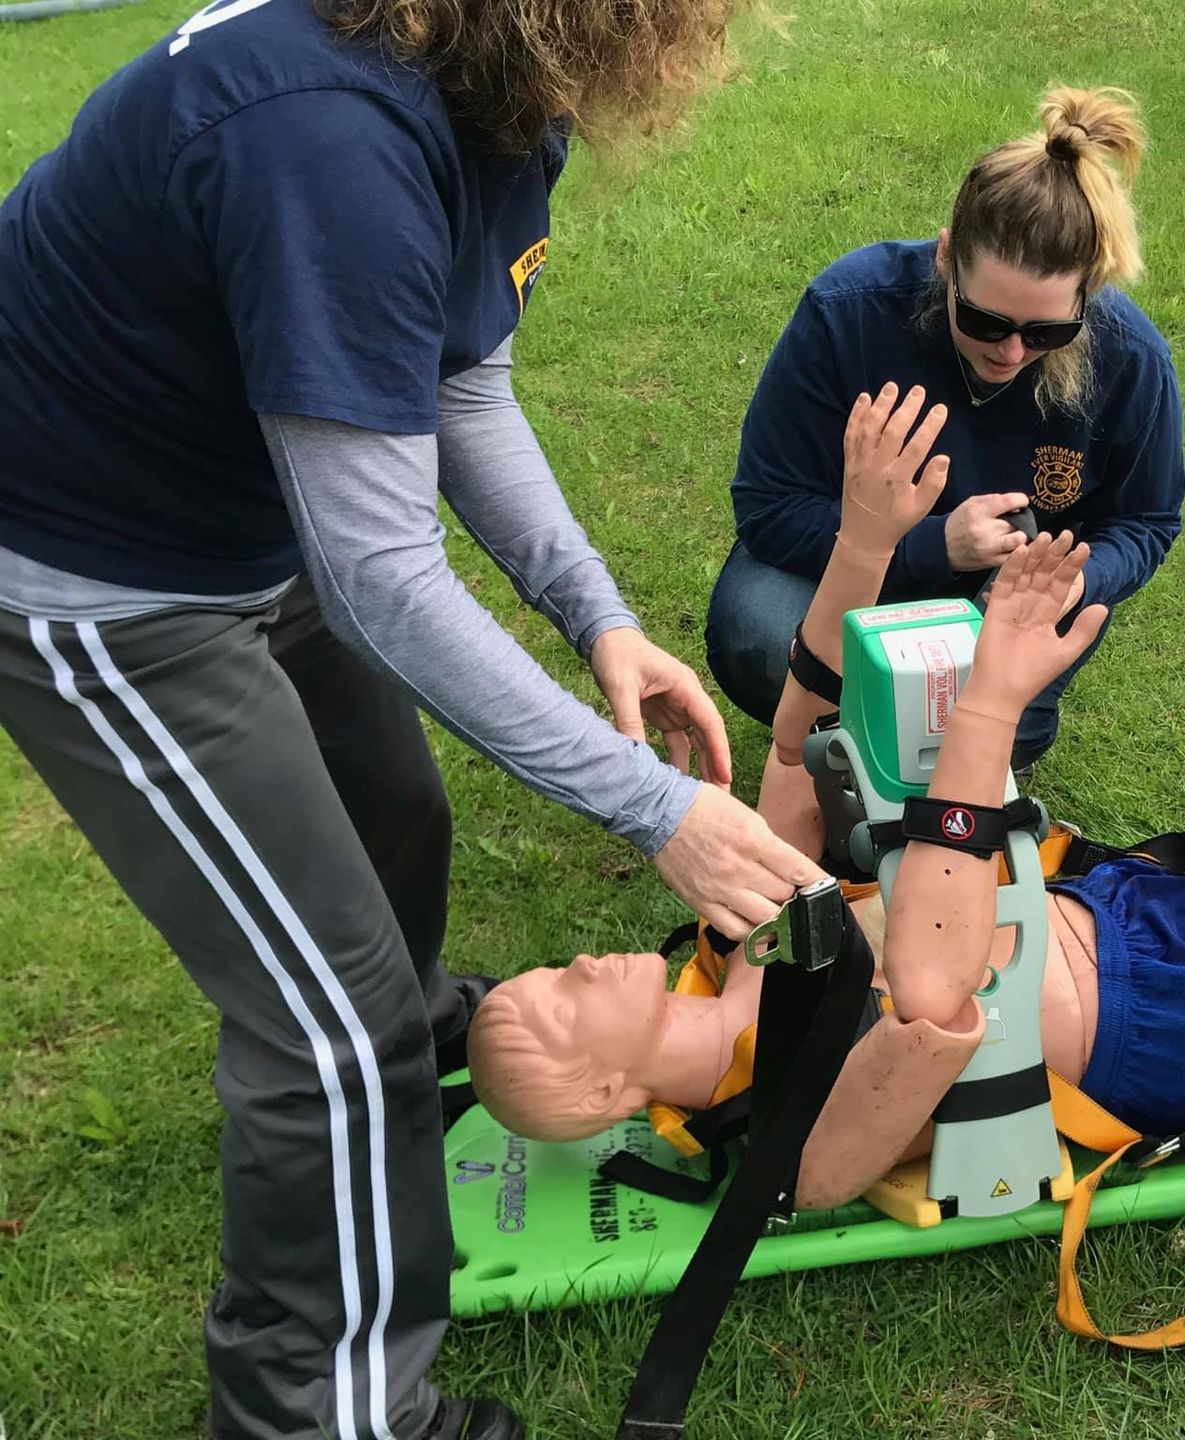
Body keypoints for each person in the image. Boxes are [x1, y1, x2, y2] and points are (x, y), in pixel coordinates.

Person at [0, 4, 816, 1437]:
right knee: (332, 1034)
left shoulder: (494, 83)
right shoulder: (328, 135)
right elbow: (382, 578)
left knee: (394, 813)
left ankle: (388, 1023)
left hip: (255, 515)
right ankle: (317, 1410)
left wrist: (598, 617)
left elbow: (458, 378)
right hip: (96, 572)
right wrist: (655, 809)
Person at [470, 533, 1185, 1211]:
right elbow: (943, 992)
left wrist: (862, 545)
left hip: (1124, 908)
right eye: (563, 1001)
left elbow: (792, 752)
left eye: (554, 972)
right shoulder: (793, 1144)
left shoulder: (733, 952)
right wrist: (987, 704)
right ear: (604, 1093)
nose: (580, 965)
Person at [705, 86, 1185, 771]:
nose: (1012, 353)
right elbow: (769, 507)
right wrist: (937, 546)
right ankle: (851, 744)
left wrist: (1071, 584)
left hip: (1005, 603)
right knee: (756, 633)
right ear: (945, 259)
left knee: (1006, 730)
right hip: (845, 566)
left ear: (1090, 294)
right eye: (986, 321)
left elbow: (1147, 520)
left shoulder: (1132, 359)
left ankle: (922, 738)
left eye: (1049, 330)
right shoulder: (849, 313)